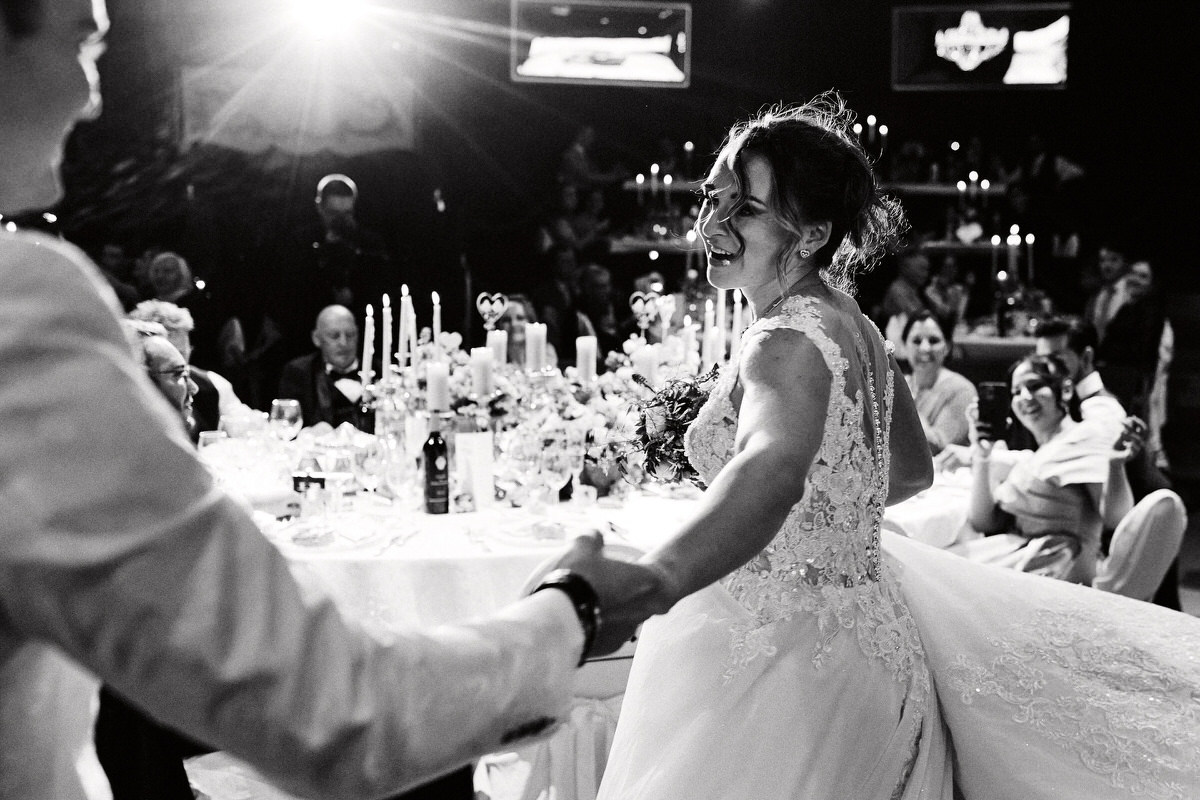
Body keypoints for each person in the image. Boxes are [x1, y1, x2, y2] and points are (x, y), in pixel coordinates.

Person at [0, 4, 667, 800]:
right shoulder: (22, 308)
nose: (95, 94)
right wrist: (571, 612)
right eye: (83, 39)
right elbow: (336, 712)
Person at [590, 97, 1200, 800]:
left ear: (812, 233)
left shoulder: (784, 339)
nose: (710, 224)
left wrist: (654, 585)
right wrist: (829, 530)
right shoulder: (854, 325)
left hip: (779, 666)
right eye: (713, 196)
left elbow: (773, 468)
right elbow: (906, 471)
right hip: (869, 644)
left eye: (744, 209)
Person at [955, 354, 1133, 584]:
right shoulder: (1039, 454)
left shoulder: (1083, 438)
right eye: (1017, 391)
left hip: (1059, 573)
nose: (1025, 398)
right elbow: (984, 522)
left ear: (1066, 390)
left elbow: (1116, 518)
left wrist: (1116, 466)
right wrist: (982, 456)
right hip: (1026, 562)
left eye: (1035, 386)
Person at [277, 304, 370, 429]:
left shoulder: (380, 371)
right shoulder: (299, 373)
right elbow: (287, 425)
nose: (343, 343)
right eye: (334, 336)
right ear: (316, 338)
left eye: (350, 334)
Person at [1096, 259, 1167, 418]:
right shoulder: (1129, 306)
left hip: (1126, 377)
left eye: (1143, 276)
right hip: (1116, 371)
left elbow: (1140, 352)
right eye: (1132, 273)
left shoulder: (1149, 312)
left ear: (1151, 284)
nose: (1135, 279)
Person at [902, 310, 976, 454]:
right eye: (916, 341)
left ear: (947, 347)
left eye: (933, 341)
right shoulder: (895, 385)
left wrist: (905, 405)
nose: (925, 348)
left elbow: (937, 447)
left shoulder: (962, 390)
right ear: (904, 347)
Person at [1082, 242, 1129, 343]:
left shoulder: (1130, 294)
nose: (1107, 265)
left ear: (1125, 263)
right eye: (1102, 260)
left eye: (1114, 260)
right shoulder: (1098, 294)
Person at [496, 294, 558, 368]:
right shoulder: (491, 352)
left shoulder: (545, 350)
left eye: (520, 318)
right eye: (506, 320)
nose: (513, 324)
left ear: (530, 320)